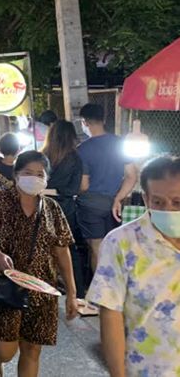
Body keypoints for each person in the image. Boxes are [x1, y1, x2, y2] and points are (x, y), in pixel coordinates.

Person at [0, 151, 78, 377]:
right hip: (5, 286)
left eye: (40, 174)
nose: (34, 178)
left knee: (32, 349)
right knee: (6, 350)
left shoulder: (52, 209)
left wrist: (72, 293)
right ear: (16, 174)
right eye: (28, 173)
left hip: (42, 289)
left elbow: (62, 250)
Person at [86, 156, 180, 377]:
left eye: (178, 202)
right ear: (146, 199)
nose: (169, 210)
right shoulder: (121, 242)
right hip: (146, 369)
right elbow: (110, 313)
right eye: (158, 202)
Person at [77, 104, 138, 285]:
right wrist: (118, 198)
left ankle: (101, 292)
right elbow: (132, 176)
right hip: (113, 205)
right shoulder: (120, 143)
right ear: (103, 120)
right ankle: (115, 287)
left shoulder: (83, 149)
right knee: (112, 248)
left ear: (85, 122)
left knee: (97, 249)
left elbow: (84, 185)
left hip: (90, 205)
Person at [42, 120, 88, 304]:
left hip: (43, 206)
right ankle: (76, 292)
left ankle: (43, 289)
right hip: (65, 209)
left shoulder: (43, 156)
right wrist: (57, 191)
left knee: (43, 248)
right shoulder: (75, 158)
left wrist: (45, 191)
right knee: (69, 250)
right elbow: (74, 189)